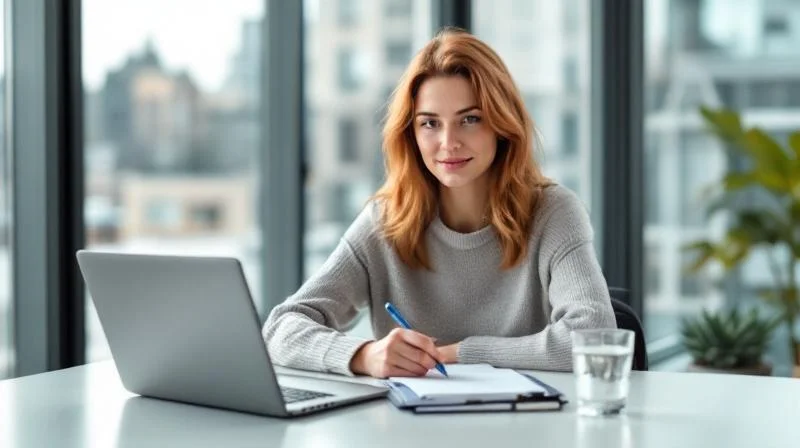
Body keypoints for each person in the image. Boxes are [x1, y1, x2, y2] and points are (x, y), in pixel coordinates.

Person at [262, 28, 616, 379]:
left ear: (502, 125)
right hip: (410, 432)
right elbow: (281, 328)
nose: (448, 142)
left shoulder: (553, 213)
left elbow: (591, 338)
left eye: (470, 120)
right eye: (430, 123)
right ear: (411, 134)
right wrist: (364, 355)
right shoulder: (386, 220)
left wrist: (461, 353)